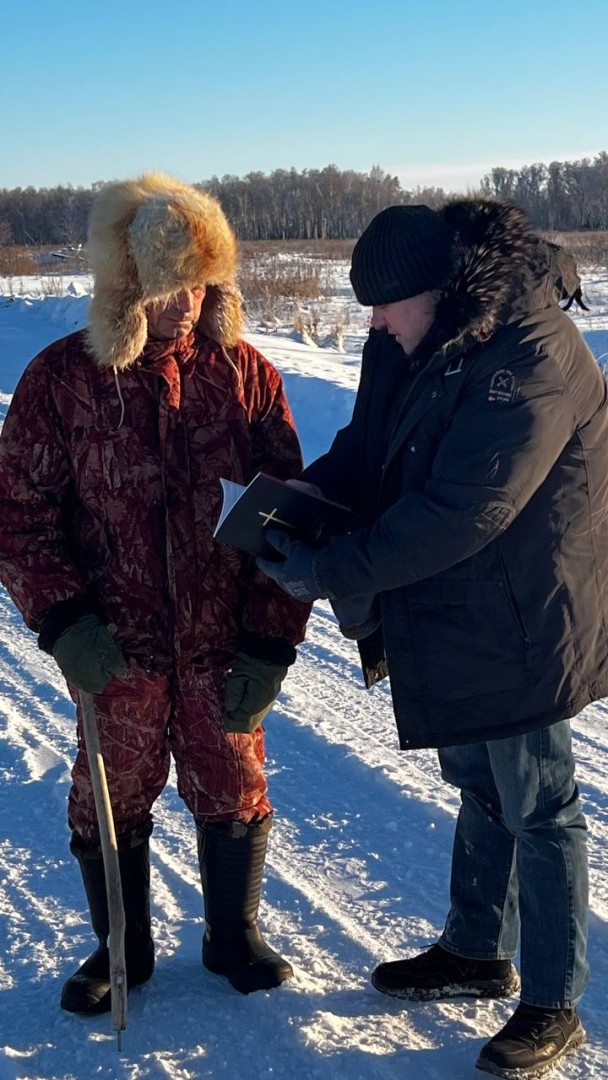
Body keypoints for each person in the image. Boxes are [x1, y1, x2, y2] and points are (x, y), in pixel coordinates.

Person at [257, 198, 607, 1078]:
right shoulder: (413, 339)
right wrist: (304, 500)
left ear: (440, 289)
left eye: (385, 304)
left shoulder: (532, 353)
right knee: (480, 784)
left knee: (541, 805)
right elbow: (370, 443)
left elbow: (466, 508)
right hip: (448, 604)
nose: (373, 322)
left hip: (526, 613)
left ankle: (554, 1002)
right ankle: (476, 950)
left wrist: (333, 568)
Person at [0, 173, 310, 1013]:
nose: (186, 304)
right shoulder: (62, 379)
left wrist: (271, 642)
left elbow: (288, 522)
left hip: (222, 641)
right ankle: (122, 947)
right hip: (114, 642)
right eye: (169, 287)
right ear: (127, 287)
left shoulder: (247, 375)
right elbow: (19, 516)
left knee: (234, 781)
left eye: (200, 284)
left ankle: (232, 935)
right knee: (111, 789)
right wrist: (64, 621)